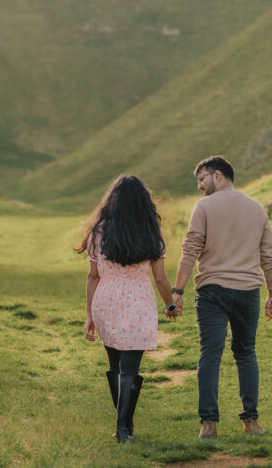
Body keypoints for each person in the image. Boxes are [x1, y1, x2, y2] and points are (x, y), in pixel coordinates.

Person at [171, 155, 272, 439]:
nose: (199, 187)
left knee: (210, 354)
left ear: (217, 176)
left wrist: (178, 290)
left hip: (212, 291)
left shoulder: (204, 207)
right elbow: (268, 256)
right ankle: (251, 422)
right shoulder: (257, 208)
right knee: (246, 354)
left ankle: (208, 424)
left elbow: (190, 249)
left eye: (201, 179)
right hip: (248, 292)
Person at [78, 174, 178, 443]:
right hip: (138, 303)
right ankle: (124, 428)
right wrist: (170, 304)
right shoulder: (151, 232)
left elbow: (92, 277)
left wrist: (89, 315)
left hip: (105, 300)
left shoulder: (98, 233)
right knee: (130, 368)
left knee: (115, 366)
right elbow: (159, 278)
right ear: (143, 203)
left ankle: (124, 427)